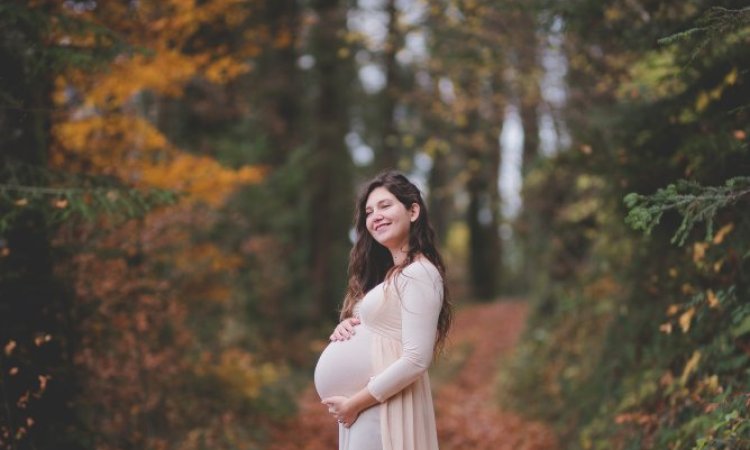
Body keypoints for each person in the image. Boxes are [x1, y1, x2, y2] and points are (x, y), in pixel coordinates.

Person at [313, 171, 452, 450]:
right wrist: (352, 325)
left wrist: (354, 404)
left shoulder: (420, 273)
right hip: (370, 405)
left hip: (382, 404)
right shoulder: (393, 276)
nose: (375, 215)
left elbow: (416, 359)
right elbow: (386, 328)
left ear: (413, 211)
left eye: (385, 205)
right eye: (369, 211)